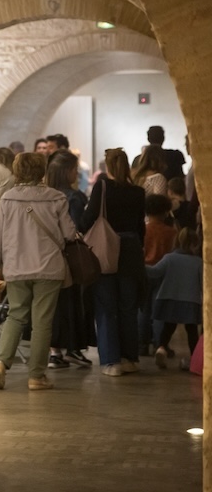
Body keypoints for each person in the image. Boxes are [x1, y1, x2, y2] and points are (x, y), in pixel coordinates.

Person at [0, 152, 76, 391]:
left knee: (16, 315)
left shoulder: (7, 199)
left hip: (16, 267)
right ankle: (36, 376)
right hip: (49, 267)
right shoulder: (56, 198)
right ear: (42, 171)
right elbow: (68, 234)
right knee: (42, 322)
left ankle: (1, 363)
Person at [80, 148, 146, 378]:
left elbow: (89, 218)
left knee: (106, 308)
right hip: (131, 250)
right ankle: (130, 358)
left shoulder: (103, 186)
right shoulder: (138, 191)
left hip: (105, 249)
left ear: (107, 166)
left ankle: (111, 361)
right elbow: (140, 226)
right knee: (128, 308)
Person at [45, 150, 94, 369]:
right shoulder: (72, 197)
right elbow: (75, 227)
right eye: (74, 169)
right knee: (73, 302)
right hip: (69, 256)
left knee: (54, 305)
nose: (77, 173)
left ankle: (55, 350)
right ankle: (72, 348)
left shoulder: (45, 194)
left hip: (46, 256)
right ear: (66, 172)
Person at [147, 227, 202, 370]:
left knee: (168, 327)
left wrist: (141, 266)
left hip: (169, 298)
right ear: (194, 244)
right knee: (191, 332)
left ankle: (161, 348)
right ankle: (195, 358)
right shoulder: (198, 262)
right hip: (191, 301)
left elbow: (154, 272)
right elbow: (204, 283)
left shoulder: (169, 258)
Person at [140, 194, 177, 358]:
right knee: (159, 310)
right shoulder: (171, 232)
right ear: (165, 211)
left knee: (143, 310)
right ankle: (160, 344)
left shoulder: (143, 230)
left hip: (145, 271)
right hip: (164, 273)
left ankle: (141, 344)